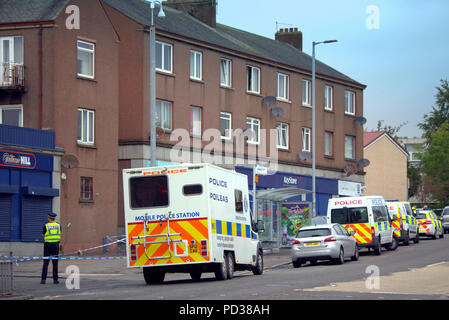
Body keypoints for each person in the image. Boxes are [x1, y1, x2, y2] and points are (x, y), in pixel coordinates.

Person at [41, 212, 61, 284]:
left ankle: (43, 280)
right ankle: (55, 280)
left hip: (47, 246)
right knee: (55, 263)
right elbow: (59, 233)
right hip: (56, 246)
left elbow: (43, 235)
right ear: (54, 218)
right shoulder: (58, 225)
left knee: (46, 262)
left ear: (49, 218)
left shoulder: (46, 225)